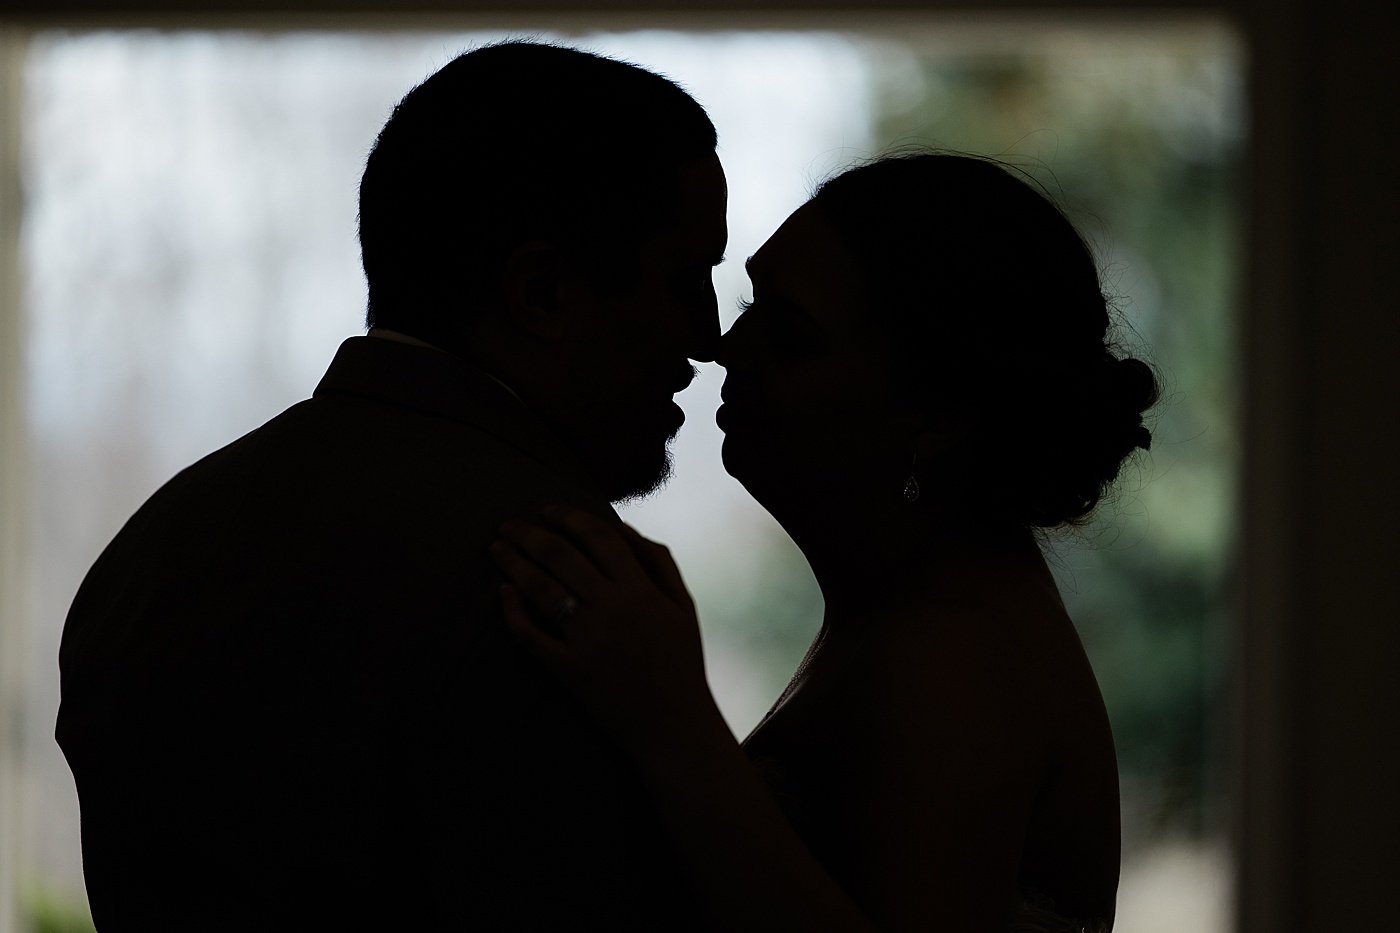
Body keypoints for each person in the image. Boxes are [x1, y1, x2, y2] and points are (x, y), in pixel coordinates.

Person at [56, 41, 726, 931]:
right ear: (545, 294)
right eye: (688, 280)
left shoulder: (152, 548)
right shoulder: (561, 587)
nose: (711, 336)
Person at [491, 152, 1158, 932]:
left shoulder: (954, 659)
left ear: (937, 415)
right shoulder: (917, 610)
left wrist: (672, 724)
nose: (723, 347)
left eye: (791, 335)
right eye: (752, 302)